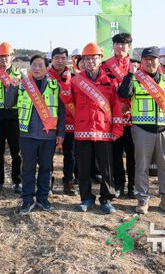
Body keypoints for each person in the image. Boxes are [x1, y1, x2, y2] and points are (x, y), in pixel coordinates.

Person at [118, 47, 165, 216]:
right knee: (141, 166)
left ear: (158, 60)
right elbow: (123, 94)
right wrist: (130, 75)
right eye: (146, 59)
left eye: (153, 58)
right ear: (141, 62)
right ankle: (142, 199)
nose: (149, 62)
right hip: (142, 130)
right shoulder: (135, 79)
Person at [6, 55, 65, 215]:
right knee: (28, 169)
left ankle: (43, 197)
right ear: (30, 67)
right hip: (27, 135)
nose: (37, 68)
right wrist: (12, 87)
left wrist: (60, 133)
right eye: (34, 65)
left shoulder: (54, 85)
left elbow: (61, 111)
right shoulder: (22, 85)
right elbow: (8, 104)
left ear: (47, 68)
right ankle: (27, 199)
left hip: (48, 136)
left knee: (46, 168)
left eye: (40, 65)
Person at [71, 43, 123, 214]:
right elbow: (69, 104)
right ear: (83, 61)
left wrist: (117, 129)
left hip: (104, 131)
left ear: (101, 59)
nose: (91, 61)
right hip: (82, 131)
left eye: (94, 58)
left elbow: (116, 107)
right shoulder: (75, 81)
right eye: (87, 59)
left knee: (106, 168)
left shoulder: (110, 81)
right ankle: (86, 198)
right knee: (84, 169)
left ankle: (106, 199)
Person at [100, 32, 136, 198]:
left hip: (133, 118)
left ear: (129, 46)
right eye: (117, 43)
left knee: (133, 155)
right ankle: (119, 184)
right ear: (113, 46)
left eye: (124, 44)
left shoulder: (136, 66)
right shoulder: (105, 66)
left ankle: (133, 185)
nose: (120, 47)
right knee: (115, 154)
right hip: (113, 118)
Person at [0, 42, 23, 194]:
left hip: (15, 117)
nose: (4, 59)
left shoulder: (20, 74)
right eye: (1, 56)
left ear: (12, 57)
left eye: (6, 56)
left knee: (17, 152)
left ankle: (18, 181)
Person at [47, 47, 77, 195]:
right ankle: (48, 183)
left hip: (70, 122)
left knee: (70, 155)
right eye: (57, 58)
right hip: (49, 122)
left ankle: (68, 182)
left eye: (63, 58)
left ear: (67, 60)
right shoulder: (44, 77)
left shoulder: (74, 77)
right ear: (51, 59)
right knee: (47, 155)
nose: (60, 61)